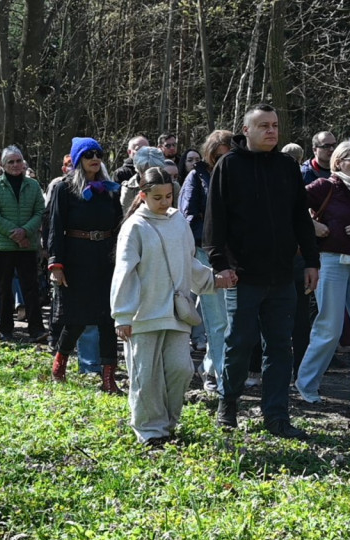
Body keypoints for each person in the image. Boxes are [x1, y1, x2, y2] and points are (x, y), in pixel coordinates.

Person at [204, 103, 320, 439]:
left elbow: (301, 218)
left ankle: (276, 415)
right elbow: (215, 222)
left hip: (283, 274)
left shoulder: (287, 167)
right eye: (263, 125)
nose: (271, 131)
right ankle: (228, 406)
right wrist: (220, 264)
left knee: (281, 346)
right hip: (242, 275)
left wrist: (311, 260)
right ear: (247, 130)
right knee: (239, 343)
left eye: (274, 125)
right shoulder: (228, 166)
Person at [113, 167, 230, 445]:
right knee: (146, 375)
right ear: (142, 196)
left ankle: (168, 423)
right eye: (157, 197)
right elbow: (125, 272)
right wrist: (122, 315)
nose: (165, 202)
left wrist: (213, 281)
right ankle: (150, 431)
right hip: (142, 314)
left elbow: (189, 262)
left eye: (169, 196)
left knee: (181, 369)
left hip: (176, 311)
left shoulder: (178, 221)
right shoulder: (134, 226)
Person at [294, 142, 350, 411]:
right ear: (338, 162)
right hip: (330, 263)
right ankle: (306, 385)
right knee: (329, 328)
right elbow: (290, 206)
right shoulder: (325, 187)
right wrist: (312, 225)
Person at [48, 138, 124, 393]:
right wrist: (56, 264)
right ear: (79, 158)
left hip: (105, 259)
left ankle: (108, 378)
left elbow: (118, 226)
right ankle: (59, 365)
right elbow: (55, 227)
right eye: (89, 154)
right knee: (76, 319)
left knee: (107, 317)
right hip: (76, 258)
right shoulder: (64, 188)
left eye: (98, 154)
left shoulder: (110, 189)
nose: (95, 158)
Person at [178, 129, 233, 394]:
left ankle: (211, 368)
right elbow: (187, 217)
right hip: (206, 253)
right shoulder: (196, 177)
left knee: (231, 320)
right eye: (219, 156)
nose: (224, 161)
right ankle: (222, 378)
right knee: (217, 319)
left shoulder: (239, 175)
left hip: (235, 255)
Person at [0, 145, 48, 342]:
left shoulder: (33, 185)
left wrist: (25, 231)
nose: (15, 165)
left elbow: (40, 212)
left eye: (18, 161)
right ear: (2, 165)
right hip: (4, 245)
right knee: (4, 288)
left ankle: (36, 329)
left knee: (31, 287)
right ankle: (6, 329)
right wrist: (15, 233)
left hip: (28, 245)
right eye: (10, 162)